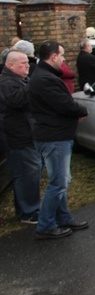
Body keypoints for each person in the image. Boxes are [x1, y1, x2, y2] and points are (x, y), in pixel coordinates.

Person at [28, 40, 90, 239]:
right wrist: (81, 110)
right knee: (58, 182)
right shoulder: (45, 79)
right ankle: (46, 224)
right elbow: (63, 104)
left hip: (55, 134)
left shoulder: (43, 76)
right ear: (53, 56)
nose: (64, 60)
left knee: (62, 180)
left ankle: (63, 216)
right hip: (53, 136)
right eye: (62, 56)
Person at [0, 50, 43, 224]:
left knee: (29, 172)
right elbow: (18, 101)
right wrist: (33, 86)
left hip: (24, 133)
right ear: (10, 65)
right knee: (27, 173)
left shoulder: (19, 80)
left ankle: (27, 208)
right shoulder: (6, 83)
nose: (27, 66)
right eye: (23, 63)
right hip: (17, 136)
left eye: (28, 62)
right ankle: (28, 211)